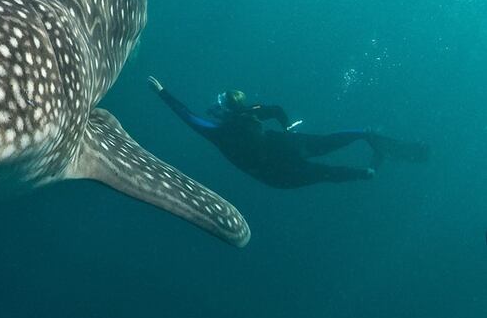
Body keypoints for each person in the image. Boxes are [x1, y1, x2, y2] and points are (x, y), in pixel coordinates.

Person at [146, 76, 428, 188]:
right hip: (286, 145)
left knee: (324, 173)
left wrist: (162, 92)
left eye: (220, 103)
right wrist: (287, 126)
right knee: (327, 143)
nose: (216, 106)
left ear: (226, 109)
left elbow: (186, 116)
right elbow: (277, 109)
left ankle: (367, 173)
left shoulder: (216, 131)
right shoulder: (250, 111)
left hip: (274, 172)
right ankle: (367, 135)